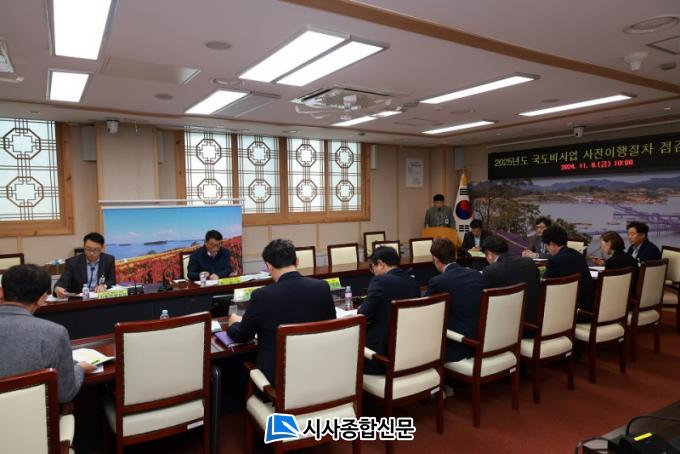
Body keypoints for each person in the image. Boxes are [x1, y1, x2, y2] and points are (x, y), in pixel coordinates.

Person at [227, 239, 336, 385]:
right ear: (297, 261)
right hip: (318, 374)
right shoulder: (322, 287)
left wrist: (233, 323)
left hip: (278, 383)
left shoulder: (262, 295)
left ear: (269, 266)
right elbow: (332, 325)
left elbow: (243, 335)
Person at [0, 265, 96, 403]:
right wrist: (80, 369)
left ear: (1, 292)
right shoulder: (54, 333)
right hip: (33, 415)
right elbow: (65, 394)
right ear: (42, 298)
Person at [359, 247, 421, 374]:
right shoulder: (413, 282)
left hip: (380, 359)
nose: (373, 272)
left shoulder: (380, 280)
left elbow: (363, 314)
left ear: (380, 264)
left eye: (372, 267)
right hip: (408, 354)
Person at [425, 238, 483, 362]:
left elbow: (423, 311)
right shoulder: (476, 275)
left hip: (458, 345)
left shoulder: (437, 282)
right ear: (455, 255)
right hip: (481, 339)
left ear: (435, 259)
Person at [481, 235, 540, 330]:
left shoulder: (491, 271)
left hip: (507, 329)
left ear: (490, 254)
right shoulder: (529, 262)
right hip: (533, 323)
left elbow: (484, 302)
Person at [542, 225, 594, 313]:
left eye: (546, 246)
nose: (547, 250)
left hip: (568, 313)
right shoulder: (579, 255)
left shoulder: (555, 260)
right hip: (586, 310)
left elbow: (544, 287)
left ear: (552, 244)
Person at [54, 232, 116, 297]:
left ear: (102, 248)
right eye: (88, 249)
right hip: (80, 299)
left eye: (95, 250)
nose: (92, 253)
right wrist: (58, 288)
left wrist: (104, 285)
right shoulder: (72, 262)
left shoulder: (109, 260)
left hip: (100, 297)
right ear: (84, 247)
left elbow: (112, 280)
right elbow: (62, 281)